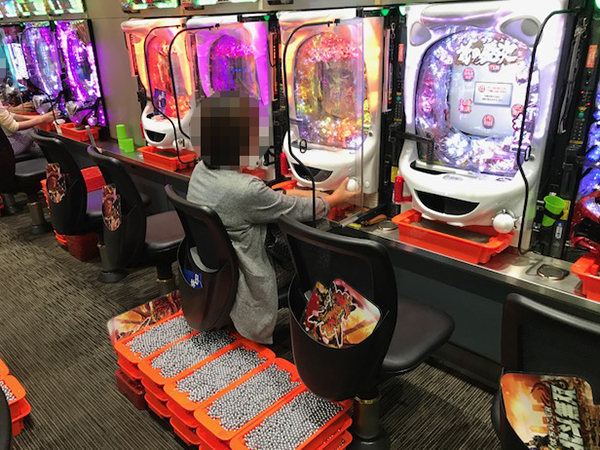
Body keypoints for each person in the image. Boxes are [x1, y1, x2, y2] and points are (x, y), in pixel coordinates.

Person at [187, 91, 359, 344]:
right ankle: (326, 330)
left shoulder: (201, 171)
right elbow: (291, 209)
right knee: (323, 231)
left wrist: (297, 194)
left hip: (222, 271)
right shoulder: (245, 190)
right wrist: (334, 200)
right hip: (251, 275)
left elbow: (272, 199)